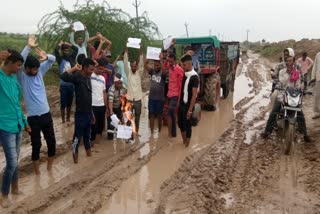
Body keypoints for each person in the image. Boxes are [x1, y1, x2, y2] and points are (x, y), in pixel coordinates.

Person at [18, 35, 57, 175]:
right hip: (33, 118)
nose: (34, 72)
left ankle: (49, 168)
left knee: (51, 142)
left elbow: (53, 59)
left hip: (46, 114)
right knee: (36, 145)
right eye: (32, 69)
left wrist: (46, 57)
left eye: (36, 69)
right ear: (26, 68)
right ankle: (37, 173)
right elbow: (20, 60)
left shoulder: (40, 71)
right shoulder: (21, 76)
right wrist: (28, 47)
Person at [0, 49, 30, 207]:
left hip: (17, 124)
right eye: (18, 65)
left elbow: (17, 104)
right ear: (9, 62)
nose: (19, 68)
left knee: (15, 161)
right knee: (12, 162)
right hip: (4, 126)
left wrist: (25, 123)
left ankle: (15, 188)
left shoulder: (13, 80)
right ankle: (4, 194)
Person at [262, 55, 311, 142]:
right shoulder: (282, 72)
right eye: (287, 61)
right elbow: (281, 83)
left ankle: (305, 134)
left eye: (290, 61)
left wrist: (300, 90)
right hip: (282, 94)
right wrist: (288, 75)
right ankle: (267, 131)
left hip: (293, 96)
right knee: (274, 112)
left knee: (300, 115)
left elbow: (298, 85)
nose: (289, 63)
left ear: (293, 62)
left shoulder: (297, 73)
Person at [60, 58, 96, 163]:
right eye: (90, 69)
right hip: (80, 114)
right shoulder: (77, 77)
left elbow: (89, 98)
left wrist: (92, 113)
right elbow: (63, 76)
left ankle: (89, 158)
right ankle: (75, 161)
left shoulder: (88, 78)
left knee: (87, 137)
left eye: (93, 69)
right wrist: (74, 68)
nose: (92, 71)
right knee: (77, 138)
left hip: (88, 113)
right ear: (84, 68)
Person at [54, 41, 78, 123]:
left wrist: (69, 44)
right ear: (62, 51)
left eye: (67, 50)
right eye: (65, 50)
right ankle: (63, 120)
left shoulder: (71, 58)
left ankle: (68, 119)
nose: (66, 52)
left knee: (69, 103)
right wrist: (60, 45)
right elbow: (55, 51)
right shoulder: (60, 59)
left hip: (71, 84)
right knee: (63, 103)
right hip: (63, 85)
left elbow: (76, 49)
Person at [178, 54, 199, 147]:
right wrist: (185, 55)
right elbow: (179, 62)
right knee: (180, 123)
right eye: (183, 65)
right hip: (182, 103)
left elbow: (194, 95)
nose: (183, 67)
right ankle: (184, 141)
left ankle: (187, 145)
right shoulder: (185, 74)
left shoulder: (194, 77)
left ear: (190, 64)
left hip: (189, 105)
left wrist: (190, 110)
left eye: (185, 65)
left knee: (188, 125)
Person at [123, 45, 144, 134]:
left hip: (138, 99)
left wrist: (140, 51)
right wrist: (126, 50)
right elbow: (125, 63)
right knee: (128, 117)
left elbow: (142, 63)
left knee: (138, 117)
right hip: (129, 99)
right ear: (131, 66)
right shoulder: (128, 73)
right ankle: (128, 134)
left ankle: (136, 132)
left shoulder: (139, 73)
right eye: (132, 66)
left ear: (137, 66)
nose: (133, 67)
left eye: (135, 66)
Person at [145, 58, 167, 134]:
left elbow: (165, 72)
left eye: (157, 65)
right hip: (151, 98)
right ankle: (151, 132)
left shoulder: (163, 74)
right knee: (151, 115)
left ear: (160, 65)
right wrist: (147, 59)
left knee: (160, 116)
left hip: (160, 99)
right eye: (155, 65)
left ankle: (159, 132)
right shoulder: (152, 72)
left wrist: (161, 60)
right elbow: (145, 65)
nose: (156, 67)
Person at [90, 58, 108, 145]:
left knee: (100, 126)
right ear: (96, 67)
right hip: (92, 105)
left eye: (103, 69)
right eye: (100, 68)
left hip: (101, 105)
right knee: (93, 126)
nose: (101, 71)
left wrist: (106, 106)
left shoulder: (103, 78)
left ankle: (97, 144)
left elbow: (104, 92)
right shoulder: (90, 76)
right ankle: (91, 143)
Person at [166, 53, 184, 138]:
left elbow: (181, 86)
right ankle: (174, 134)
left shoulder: (179, 70)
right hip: (169, 94)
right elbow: (165, 63)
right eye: (169, 61)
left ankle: (169, 134)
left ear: (175, 61)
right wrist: (166, 58)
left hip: (175, 95)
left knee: (169, 112)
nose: (170, 63)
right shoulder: (169, 66)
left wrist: (179, 100)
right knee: (172, 114)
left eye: (171, 62)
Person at [107, 73, 127, 140]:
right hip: (111, 108)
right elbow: (110, 102)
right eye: (118, 83)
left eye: (120, 83)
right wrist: (111, 112)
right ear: (114, 83)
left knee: (120, 123)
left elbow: (124, 100)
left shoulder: (124, 88)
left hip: (119, 107)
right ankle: (110, 139)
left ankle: (119, 138)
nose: (119, 85)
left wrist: (123, 112)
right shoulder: (111, 90)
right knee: (111, 125)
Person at [311, 52, 320, 119]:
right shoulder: (318, 54)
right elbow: (315, 66)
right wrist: (313, 77)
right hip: (318, 78)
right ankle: (317, 113)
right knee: (317, 96)